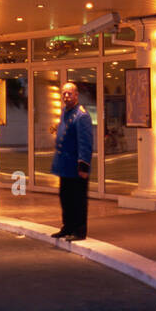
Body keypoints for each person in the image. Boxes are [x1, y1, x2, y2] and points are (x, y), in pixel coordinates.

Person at [50, 82, 93, 241]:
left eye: (69, 93)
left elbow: (85, 143)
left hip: (76, 167)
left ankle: (79, 230)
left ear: (76, 95)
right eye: (64, 93)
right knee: (66, 198)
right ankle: (67, 227)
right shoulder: (65, 112)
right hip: (65, 165)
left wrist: (83, 165)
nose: (66, 96)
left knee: (78, 200)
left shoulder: (81, 116)